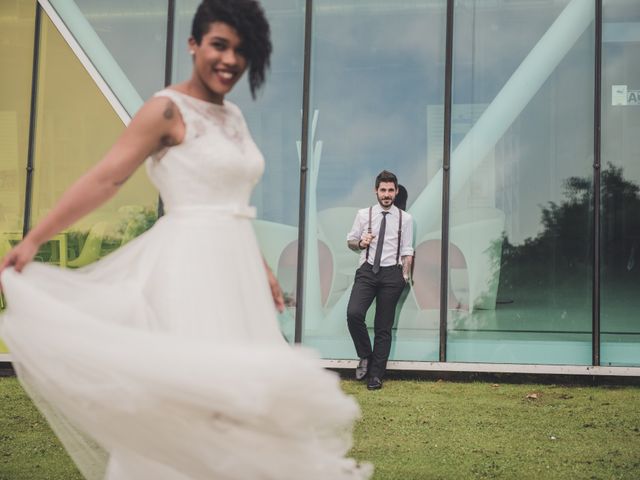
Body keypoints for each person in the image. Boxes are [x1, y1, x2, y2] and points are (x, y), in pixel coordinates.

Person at [0, 1, 372, 479]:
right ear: (194, 44)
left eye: (242, 50)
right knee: (194, 402)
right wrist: (34, 239)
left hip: (233, 271)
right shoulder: (165, 111)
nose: (231, 60)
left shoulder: (234, 116)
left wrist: (258, 266)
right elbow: (105, 179)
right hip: (188, 267)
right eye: (219, 45)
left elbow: (231, 203)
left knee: (243, 406)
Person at [346, 171, 414, 390]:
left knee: (383, 327)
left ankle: (376, 375)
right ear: (376, 190)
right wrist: (361, 243)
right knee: (354, 314)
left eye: (390, 190)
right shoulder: (363, 214)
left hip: (391, 275)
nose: (386, 195)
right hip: (367, 271)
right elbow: (350, 241)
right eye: (383, 190)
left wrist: (404, 276)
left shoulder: (406, 218)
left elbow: (407, 250)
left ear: (396, 192)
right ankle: (365, 355)